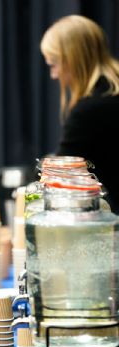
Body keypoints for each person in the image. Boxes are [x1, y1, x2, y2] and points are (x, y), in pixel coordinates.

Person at [40, 15, 119, 213]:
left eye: (53, 64)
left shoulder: (88, 111)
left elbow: (59, 176)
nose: (53, 75)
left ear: (72, 60)